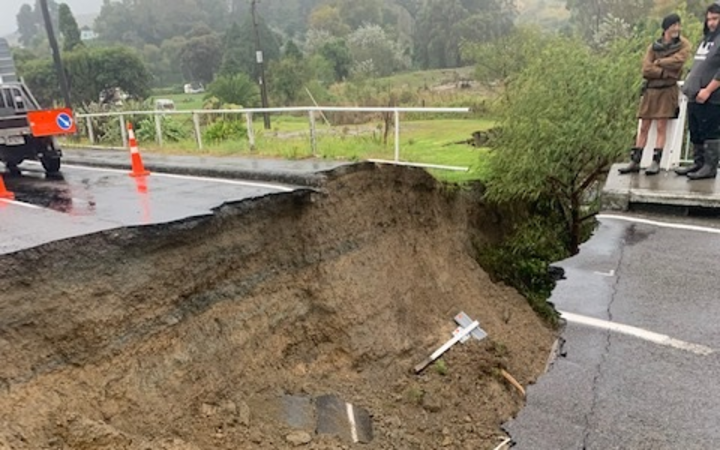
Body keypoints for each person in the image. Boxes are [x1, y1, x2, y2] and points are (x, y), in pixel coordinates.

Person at [619, 13, 691, 176]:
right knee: (644, 126)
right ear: (666, 28)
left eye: (678, 25)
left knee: (661, 126)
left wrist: (658, 63)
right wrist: (665, 72)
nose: (677, 29)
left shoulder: (683, 44)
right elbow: (646, 69)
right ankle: (635, 161)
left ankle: (655, 162)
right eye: (673, 25)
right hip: (651, 90)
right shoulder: (654, 47)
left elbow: (678, 61)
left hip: (667, 91)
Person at [677, 2, 720, 180]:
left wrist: (708, 90)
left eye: (715, 18)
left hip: (712, 96)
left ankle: (709, 167)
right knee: (695, 130)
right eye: (708, 19)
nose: (711, 22)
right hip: (694, 94)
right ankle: (698, 162)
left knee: (710, 131)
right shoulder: (706, 40)